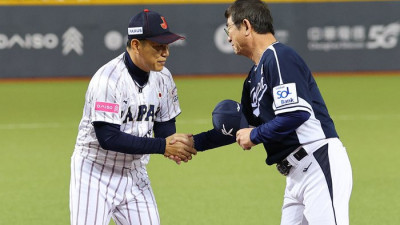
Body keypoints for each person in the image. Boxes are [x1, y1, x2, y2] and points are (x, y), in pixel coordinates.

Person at [180, 0, 353, 224]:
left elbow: (295, 114)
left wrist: (255, 135)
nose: (228, 37)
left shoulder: (279, 58)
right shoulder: (253, 79)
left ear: (246, 26)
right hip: (295, 176)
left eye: (229, 28)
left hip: (317, 161)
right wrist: (193, 143)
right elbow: (239, 129)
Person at [69, 9, 196, 225]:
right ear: (136, 45)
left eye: (167, 46)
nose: (166, 52)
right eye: (158, 46)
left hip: (135, 173)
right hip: (94, 173)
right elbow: (108, 138)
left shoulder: (163, 77)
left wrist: (176, 145)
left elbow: (165, 128)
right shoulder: (107, 80)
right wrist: (163, 146)